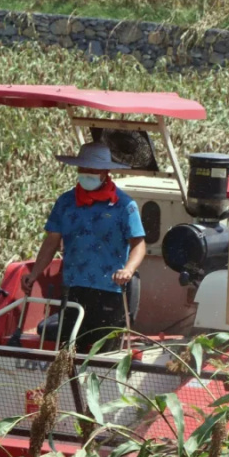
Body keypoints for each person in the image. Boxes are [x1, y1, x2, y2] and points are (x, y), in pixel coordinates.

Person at [21, 142, 146, 352]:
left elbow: (139, 244)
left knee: (105, 353)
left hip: (109, 291)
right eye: (83, 169)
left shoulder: (124, 206)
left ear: (105, 172)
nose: (87, 174)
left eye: (93, 170)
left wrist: (128, 270)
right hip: (73, 288)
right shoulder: (66, 202)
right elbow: (52, 241)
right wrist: (34, 274)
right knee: (68, 351)